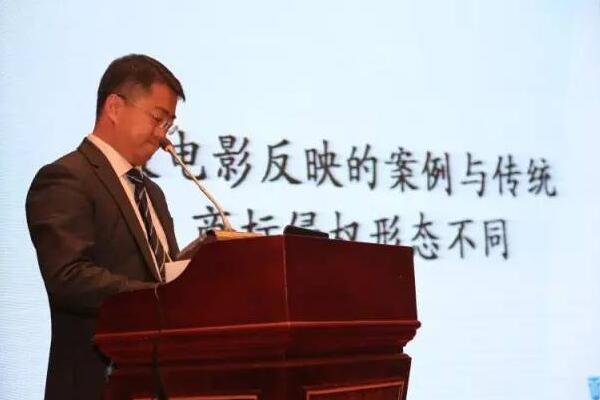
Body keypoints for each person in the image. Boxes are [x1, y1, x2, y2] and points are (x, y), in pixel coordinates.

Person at [25, 54, 185, 399]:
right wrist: (158, 298)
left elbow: (163, 273)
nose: (163, 137)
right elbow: (69, 277)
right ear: (114, 107)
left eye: (169, 125)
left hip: (157, 384)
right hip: (97, 384)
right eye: (157, 119)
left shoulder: (152, 193)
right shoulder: (66, 178)